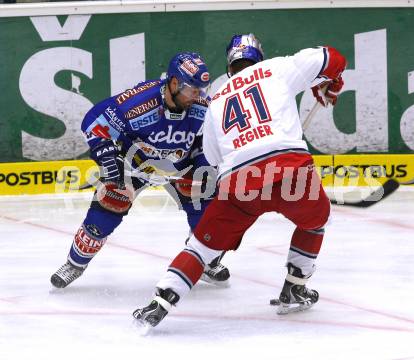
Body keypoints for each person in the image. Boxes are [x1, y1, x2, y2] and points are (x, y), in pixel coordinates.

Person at [133, 43, 347, 327]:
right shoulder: (276, 69)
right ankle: (295, 286)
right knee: (315, 221)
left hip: (240, 181)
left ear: (229, 68)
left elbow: (213, 158)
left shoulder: (216, 101)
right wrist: (330, 83)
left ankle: (160, 301)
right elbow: (333, 56)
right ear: (259, 59)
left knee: (200, 248)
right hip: (290, 171)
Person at [50, 52, 230, 288]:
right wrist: (108, 157)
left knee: (209, 204)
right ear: (174, 83)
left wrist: (204, 164)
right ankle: (75, 264)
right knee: (112, 198)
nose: (196, 96)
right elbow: (94, 121)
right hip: (135, 164)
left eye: (200, 90)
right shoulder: (139, 103)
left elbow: (209, 141)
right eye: (191, 90)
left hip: (179, 166)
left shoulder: (203, 108)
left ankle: (205, 260)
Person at [208, 33, 264, 98]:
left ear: (229, 68)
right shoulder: (274, 81)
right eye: (238, 66)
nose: (243, 73)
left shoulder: (217, 87)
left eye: (248, 66)